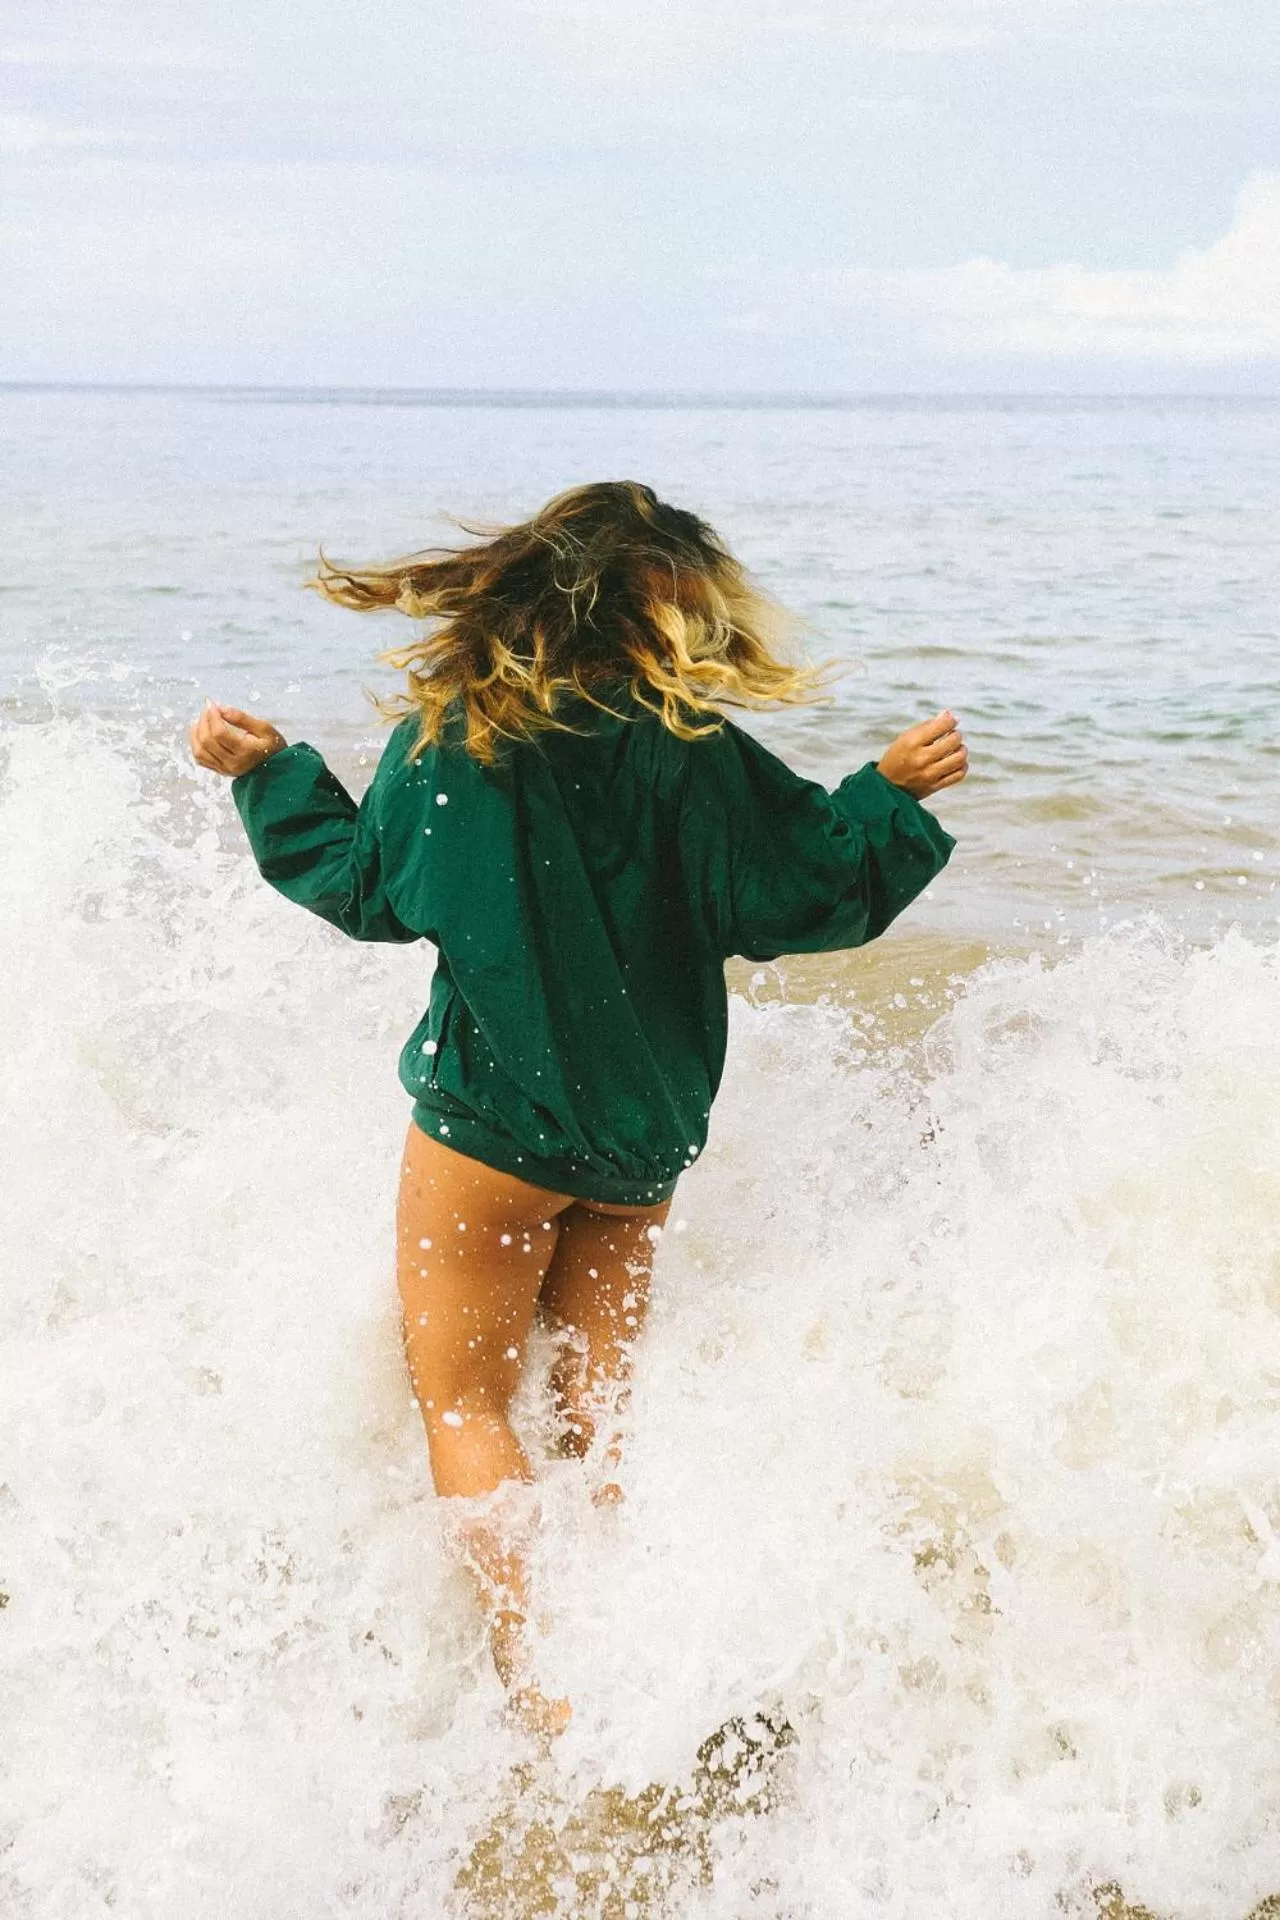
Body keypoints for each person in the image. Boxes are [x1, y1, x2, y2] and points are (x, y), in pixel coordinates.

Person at [188, 480, 967, 1737]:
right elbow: (802, 893)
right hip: (642, 1139)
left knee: (464, 1403)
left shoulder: (453, 741)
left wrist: (271, 771)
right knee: (598, 1403)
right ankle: (633, 1643)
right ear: (660, 612)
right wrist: (884, 792)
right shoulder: (693, 753)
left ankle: (547, 1684)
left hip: (489, 1132)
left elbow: (364, 888)